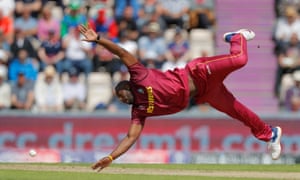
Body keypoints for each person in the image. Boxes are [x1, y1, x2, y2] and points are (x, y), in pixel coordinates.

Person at [78, 25, 282, 171]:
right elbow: (131, 137)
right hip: (204, 93)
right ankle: (269, 134)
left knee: (240, 59)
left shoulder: (139, 76)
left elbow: (122, 53)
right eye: (119, 98)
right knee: (238, 112)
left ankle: (236, 37)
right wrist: (112, 157)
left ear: (126, 85)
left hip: (199, 72)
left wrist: (98, 40)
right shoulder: (139, 111)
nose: (120, 99)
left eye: (119, 93)